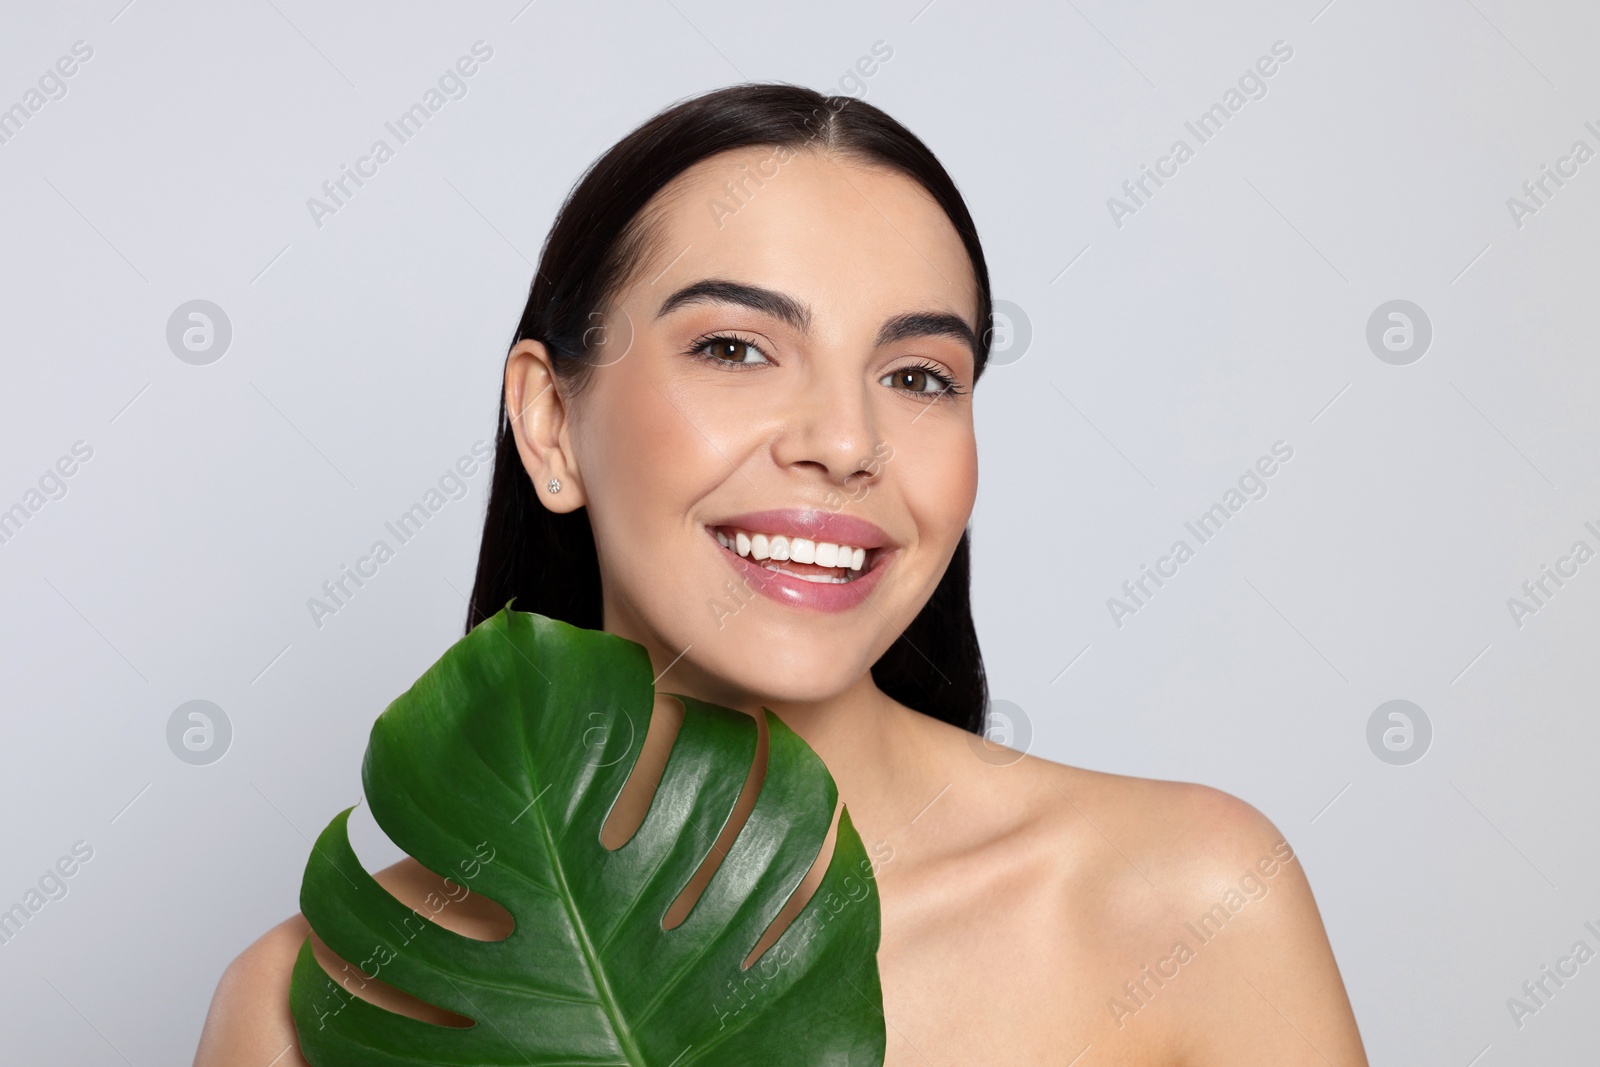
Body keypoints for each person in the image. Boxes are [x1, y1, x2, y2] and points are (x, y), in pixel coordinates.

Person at [195, 83, 1368, 1065]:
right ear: (551, 422)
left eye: (917, 375)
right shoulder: (312, 1003)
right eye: (736, 348)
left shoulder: (1190, 903)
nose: (845, 440)